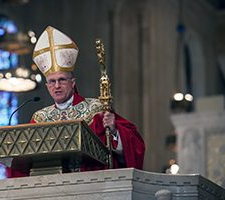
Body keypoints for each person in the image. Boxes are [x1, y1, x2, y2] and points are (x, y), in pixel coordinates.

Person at [8, 26, 145, 177]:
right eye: (52, 82)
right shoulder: (39, 118)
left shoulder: (95, 109)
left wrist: (114, 130)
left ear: (73, 82)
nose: (57, 86)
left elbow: (134, 145)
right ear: (47, 87)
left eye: (62, 80)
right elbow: (24, 160)